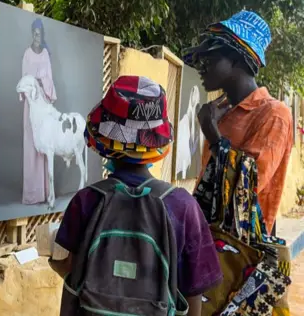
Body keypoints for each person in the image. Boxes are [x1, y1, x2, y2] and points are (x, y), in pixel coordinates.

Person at [49, 76, 222, 316]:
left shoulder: (86, 200)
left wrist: (55, 264)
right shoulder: (183, 206)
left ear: (102, 140)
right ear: (158, 146)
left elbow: (73, 271)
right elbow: (194, 291)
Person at [183, 10, 293, 235]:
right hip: (209, 241)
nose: (202, 67)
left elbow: (247, 189)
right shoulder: (221, 113)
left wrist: (214, 138)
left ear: (237, 59)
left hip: (241, 254)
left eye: (210, 59)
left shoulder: (274, 114)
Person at [21, 18, 57, 205]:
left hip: (43, 105)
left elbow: (49, 80)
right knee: (31, 147)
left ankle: (44, 193)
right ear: (31, 34)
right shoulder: (27, 54)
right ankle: (31, 194)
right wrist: (33, 84)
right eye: (34, 33)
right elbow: (24, 79)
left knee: (45, 147)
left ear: (42, 35)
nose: (37, 36)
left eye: (39, 33)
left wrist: (42, 83)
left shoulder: (45, 55)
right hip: (31, 106)